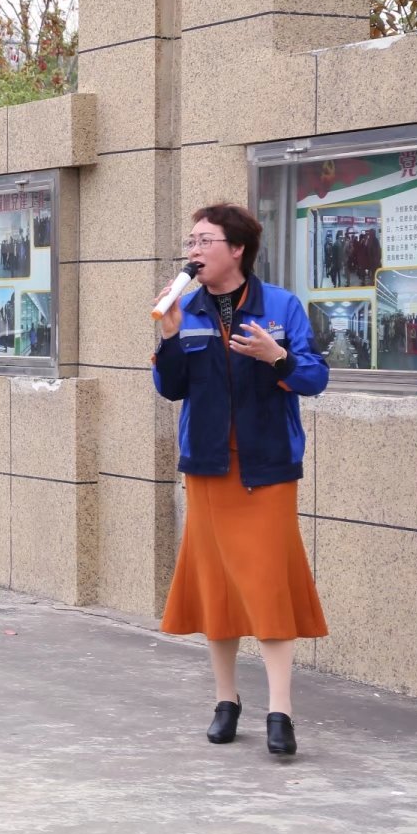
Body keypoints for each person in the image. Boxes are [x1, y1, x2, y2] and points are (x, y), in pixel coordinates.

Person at [153, 203, 329, 757]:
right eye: (191, 241)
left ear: (237, 249)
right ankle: (225, 701)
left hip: (267, 467)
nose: (193, 250)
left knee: (269, 585)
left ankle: (281, 711)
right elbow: (172, 389)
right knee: (218, 588)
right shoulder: (185, 307)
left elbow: (314, 378)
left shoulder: (281, 305)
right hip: (208, 468)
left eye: (204, 240)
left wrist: (278, 358)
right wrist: (169, 338)